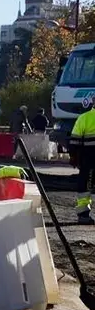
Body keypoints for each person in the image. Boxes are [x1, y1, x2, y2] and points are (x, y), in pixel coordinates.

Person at [70, 96, 95, 226]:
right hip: (89, 158)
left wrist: (73, 156)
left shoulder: (84, 118)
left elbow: (74, 140)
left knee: (85, 186)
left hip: (88, 158)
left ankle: (83, 215)